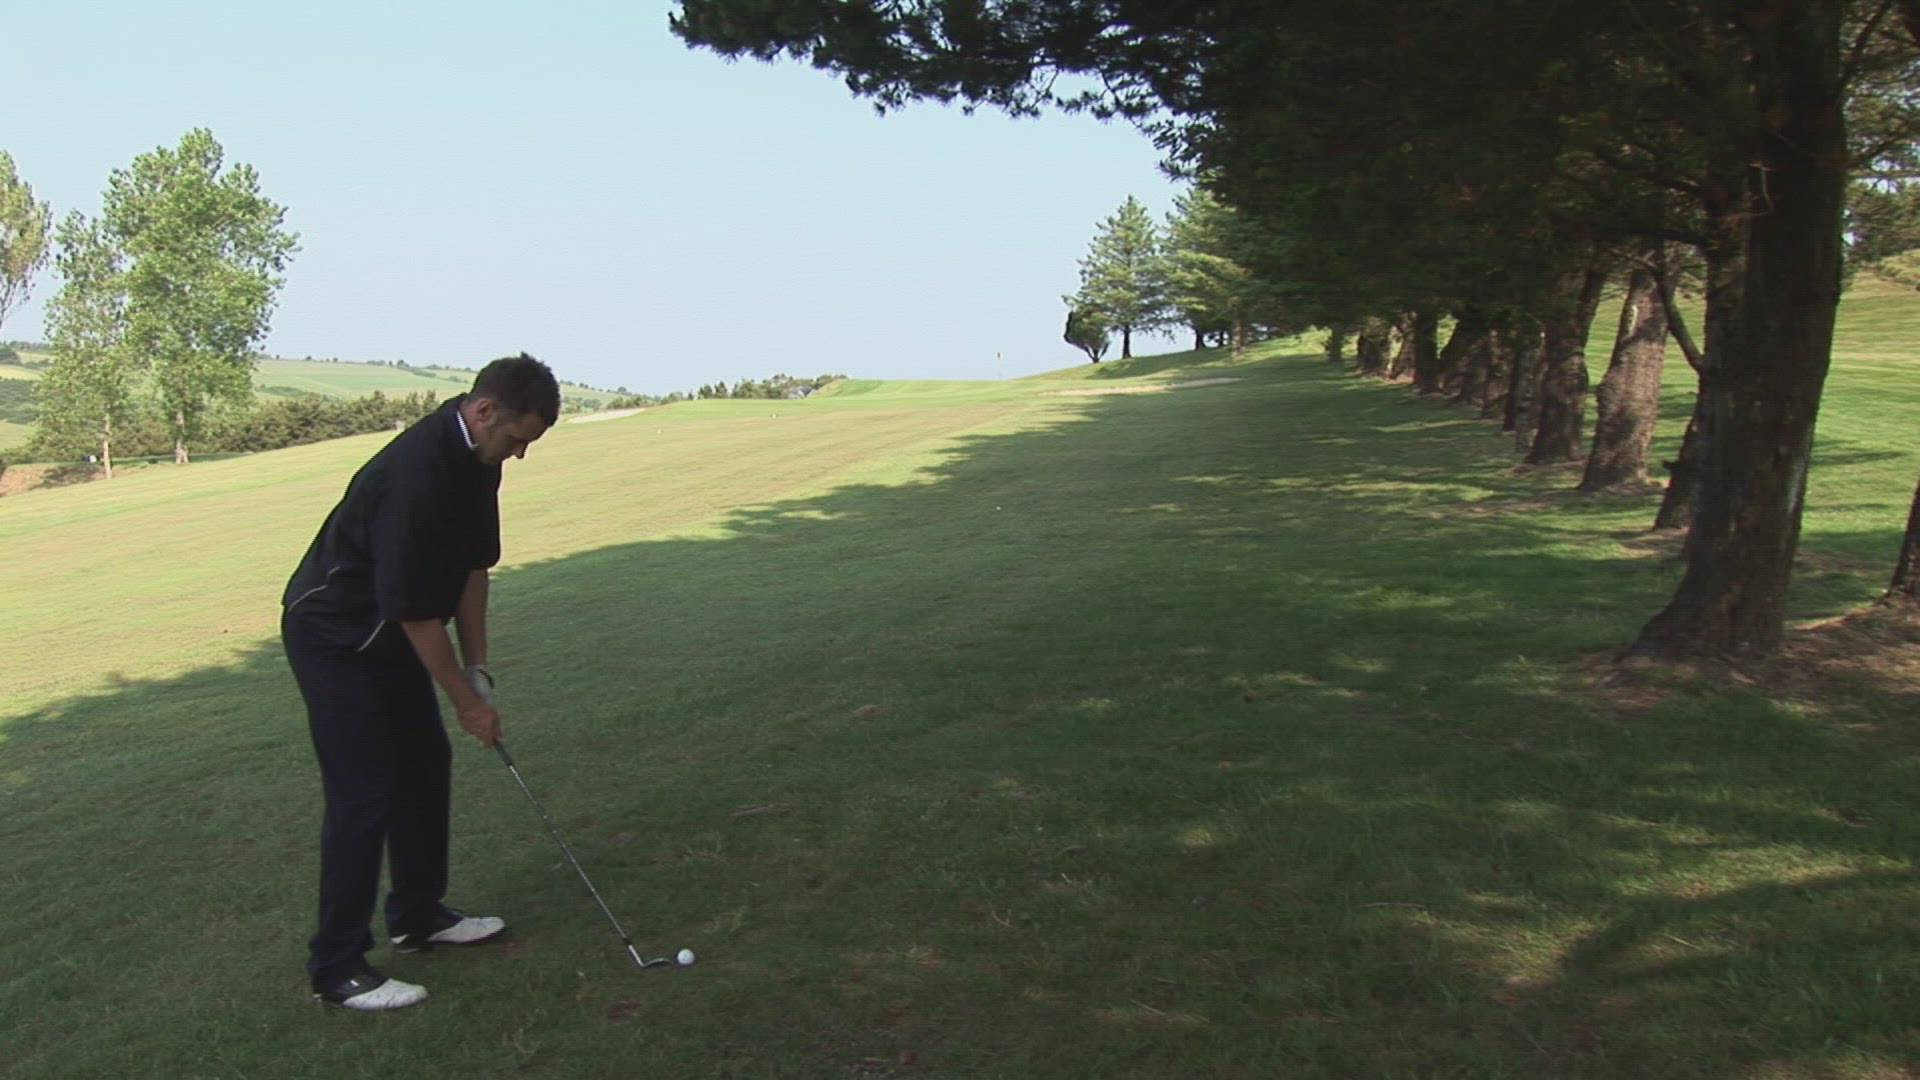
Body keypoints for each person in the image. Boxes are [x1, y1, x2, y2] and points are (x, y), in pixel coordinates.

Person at [281, 353, 560, 1010]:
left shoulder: (479, 461)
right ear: (484, 410)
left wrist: (477, 668)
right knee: (364, 791)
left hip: (392, 631)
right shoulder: (414, 475)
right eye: (516, 438)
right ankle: (336, 967)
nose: (519, 453)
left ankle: (417, 915)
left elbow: (472, 569)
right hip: (336, 636)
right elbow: (413, 613)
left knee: (425, 765)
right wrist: (467, 705)